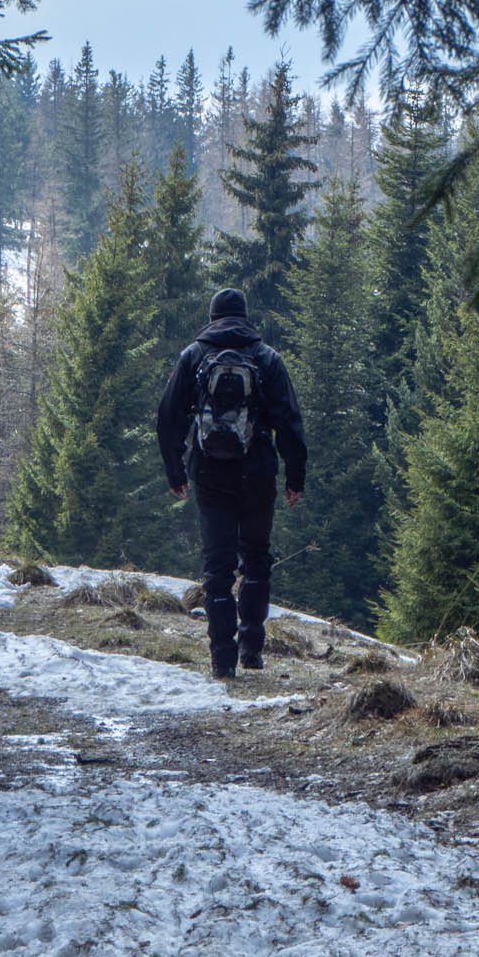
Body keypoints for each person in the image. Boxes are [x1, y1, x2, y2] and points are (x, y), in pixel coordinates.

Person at [156, 288, 307, 679]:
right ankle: (251, 649)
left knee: (217, 567)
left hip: (209, 474)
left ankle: (222, 659)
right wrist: (295, 477)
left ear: (212, 317)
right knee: (256, 559)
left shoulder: (193, 356)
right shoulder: (267, 358)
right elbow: (290, 422)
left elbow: (169, 416)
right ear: (244, 316)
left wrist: (176, 471)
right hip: (258, 473)